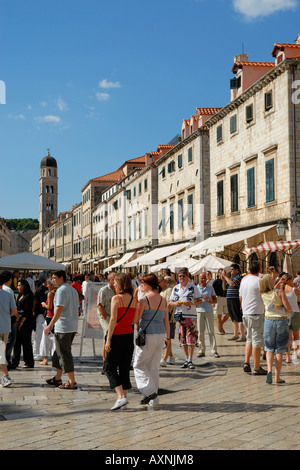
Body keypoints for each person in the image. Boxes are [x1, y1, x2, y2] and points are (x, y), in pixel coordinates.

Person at [133, 273, 170, 406]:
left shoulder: (144, 300)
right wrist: (168, 337)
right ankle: (154, 399)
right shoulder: (163, 300)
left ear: (148, 285)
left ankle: (149, 392)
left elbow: (136, 320)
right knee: (153, 366)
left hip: (147, 335)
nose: (141, 285)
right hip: (160, 334)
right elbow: (166, 321)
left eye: (143, 283)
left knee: (138, 364)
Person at [104, 273, 138, 410]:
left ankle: (120, 397)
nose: (114, 285)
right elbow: (135, 321)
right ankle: (123, 398)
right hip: (128, 336)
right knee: (124, 368)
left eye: (116, 283)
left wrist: (108, 340)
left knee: (109, 367)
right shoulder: (134, 300)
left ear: (121, 284)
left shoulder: (116, 298)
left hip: (117, 335)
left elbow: (112, 320)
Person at [44, 270, 79, 389]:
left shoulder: (60, 291)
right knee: (59, 352)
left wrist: (50, 325)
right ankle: (58, 378)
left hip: (63, 327)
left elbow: (58, 309)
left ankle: (72, 381)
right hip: (72, 326)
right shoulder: (73, 290)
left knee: (64, 354)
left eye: (54, 278)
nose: (52, 280)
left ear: (61, 278)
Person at [259, 274, 292, 384]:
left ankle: (269, 371)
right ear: (270, 282)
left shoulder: (263, 293)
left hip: (268, 321)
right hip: (281, 321)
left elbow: (272, 290)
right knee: (279, 349)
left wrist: (278, 283)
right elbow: (288, 308)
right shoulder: (280, 292)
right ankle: (277, 377)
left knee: (269, 348)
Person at [169, 267, 202, 369]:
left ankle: (191, 360)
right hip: (180, 315)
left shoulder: (193, 287)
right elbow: (170, 302)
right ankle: (186, 359)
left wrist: (191, 303)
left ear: (187, 276)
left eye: (183, 276)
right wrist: (176, 303)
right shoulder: (176, 288)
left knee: (191, 338)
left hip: (190, 316)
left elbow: (200, 301)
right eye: (180, 276)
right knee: (182, 339)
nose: (181, 278)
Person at [239, 261, 267, 375]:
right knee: (257, 341)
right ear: (260, 269)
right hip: (256, 313)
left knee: (249, 338)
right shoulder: (260, 281)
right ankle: (257, 367)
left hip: (246, 313)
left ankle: (246, 362)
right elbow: (265, 297)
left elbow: (240, 297)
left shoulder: (244, 280)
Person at [11, 279, 35, 369]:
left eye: (19, 285)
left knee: (26, 342)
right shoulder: (20, 295)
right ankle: (15, 361)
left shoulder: (29, 296)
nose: (18, 287)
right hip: (18, 319)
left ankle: (29, 362)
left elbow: (28, 310)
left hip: (26, 321)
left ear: (24, 286)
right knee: (17, 342)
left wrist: (21, 322)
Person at [0, 273, 18, 386]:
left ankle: (6, 376)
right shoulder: (8, 295)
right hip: (5, 326)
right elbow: (14, 312)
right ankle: (5, 376)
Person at [196, 272, 219, 358]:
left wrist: (209, 299)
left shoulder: (210, 288)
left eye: (204, 278)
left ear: (206, 279)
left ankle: (214, 350)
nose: (203, 280)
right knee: (200, 332)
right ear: (198, 279)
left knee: (211, 331)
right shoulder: (196, 288)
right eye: (201, 278)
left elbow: (215, 300)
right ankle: (201, 350)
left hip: (209, 311)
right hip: (199, 311)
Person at [222, 264, 246, 341]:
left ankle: (242, 335)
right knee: (233, 318)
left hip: (235, 299)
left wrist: (225, 277)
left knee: (238, 317)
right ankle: (235, 334)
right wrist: (223, 279)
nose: (231, 271)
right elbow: (224, 288)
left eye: (232, 269)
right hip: (229, 298)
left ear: (237, 270)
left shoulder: (239, 277)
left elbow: (232, 284)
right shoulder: (231, 278)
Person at [280, 273, 300, 363]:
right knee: (295, 336)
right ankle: (296, 355)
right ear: (289, 280)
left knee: (287, 337)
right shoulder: (294, 290)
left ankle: (287, 357)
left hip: (286, 314)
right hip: (295, 313)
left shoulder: (281, 290)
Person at [97, 272, 117, 363]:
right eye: (113, 279)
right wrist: (106, 319)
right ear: (109, 280)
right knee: (107, 336)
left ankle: (112, 359)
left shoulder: (118, 290)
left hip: (115, 317)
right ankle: (105, 362)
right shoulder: (104, 290)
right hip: (106, 316)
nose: (116, 280)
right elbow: (100, 306)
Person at [158, 275, 177, 366]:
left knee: (167, 338)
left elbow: (169, 304)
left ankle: (164, 359)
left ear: (163, 282)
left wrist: (165, 315)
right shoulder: (159, 291)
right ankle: (171, 356)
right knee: (165, 338)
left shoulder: (168, 290)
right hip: (161, 317)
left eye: (158, 282)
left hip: (169, 318)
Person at [2, 271, 19, 369]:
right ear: (9, 280)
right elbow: (13, 308)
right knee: (11, 339)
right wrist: (16, 315)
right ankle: (6, 359)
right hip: (9, 318)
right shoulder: (8, 290)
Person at [39, 277, 56, 365]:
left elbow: (49, 306)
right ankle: (55, 357)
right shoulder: (57, 292)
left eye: (48, 284)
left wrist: (44, 304)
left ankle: (45, 358)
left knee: (46, 338)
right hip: (55, 317)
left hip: (49, 316)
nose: (47, 286)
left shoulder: (50, 294)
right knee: (53, 338)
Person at [32, 276, 48, 361]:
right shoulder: (40, 290)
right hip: (41, 315)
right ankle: (36, 353)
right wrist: (34, 312)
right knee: (39, 334)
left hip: (44, 315)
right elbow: (35, 302)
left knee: (43, 335)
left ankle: (41, 353)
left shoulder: (47, 289)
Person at [213, 269, 230, 334]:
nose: (222, 274)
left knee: (228, 314)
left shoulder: (226, 281)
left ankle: (220, 324)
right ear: (218, 274)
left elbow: (225, 290)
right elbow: (214, 292)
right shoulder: (216, 282)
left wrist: (223, 280)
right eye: (221, 273)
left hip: (225, 298)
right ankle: (220, 329)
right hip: (219, 298)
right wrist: (213, 302)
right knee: (219, 315)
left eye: (224, 273)